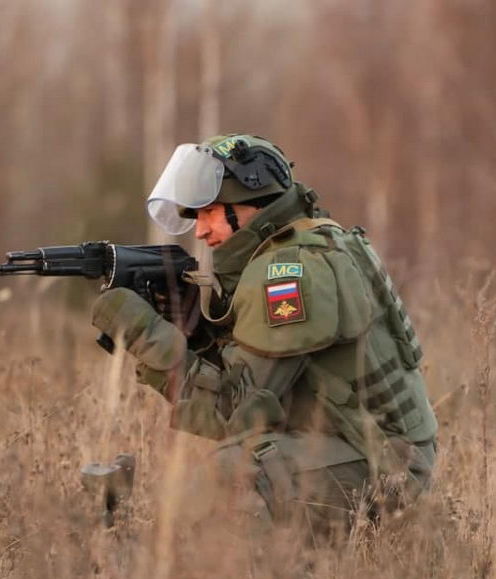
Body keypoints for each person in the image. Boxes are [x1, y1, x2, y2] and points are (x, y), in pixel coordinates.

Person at [89, 134, 438, 534]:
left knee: (231, 474)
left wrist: (142, 330)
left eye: (209, 213)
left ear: (251, 205)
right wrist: (200, 335)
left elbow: (238, 413)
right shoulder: (310, 241)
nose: (200, 231)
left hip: (384, 464)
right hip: (368, 445)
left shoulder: (290, 270)